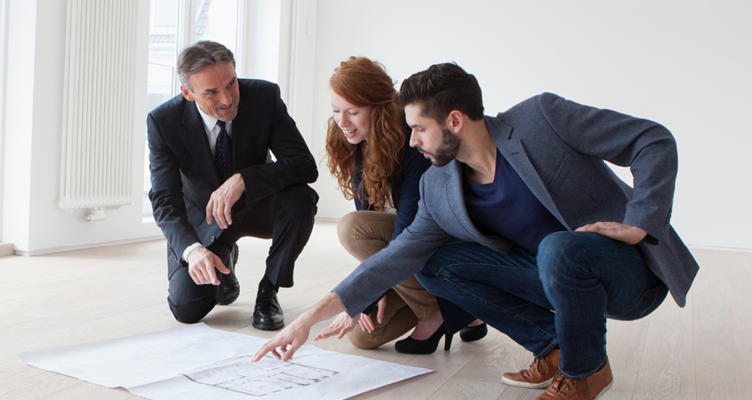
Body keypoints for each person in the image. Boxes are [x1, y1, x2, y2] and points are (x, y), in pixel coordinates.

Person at [253, 62, 698, 400]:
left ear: (455, 121)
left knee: (559, 248)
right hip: (550, 276)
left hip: (625, 273)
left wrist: (641, 222)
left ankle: (586, 372)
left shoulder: (541, 119)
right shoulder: (439, 185)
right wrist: (309, 318)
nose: (412, 142)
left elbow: (652, 140)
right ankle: (554, 348)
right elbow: (398, 254)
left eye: (419, 129)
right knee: (437, 263)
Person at [147, 41, 319, 331]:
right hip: (206, 217)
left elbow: (304, 165)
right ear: (187, 93)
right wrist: (192, 250)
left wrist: (244, 179)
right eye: (212, 92)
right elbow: (165, 199)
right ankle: (222, 259)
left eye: (231, 84)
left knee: (301, 199)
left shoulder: (264, 97)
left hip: (259, 205)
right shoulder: (163, 121)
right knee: (187, 309)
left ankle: (269, 290)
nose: (227, 99)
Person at [323, 56, 485, 354]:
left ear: (380, 108)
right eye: (335, 111)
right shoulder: (355, 142)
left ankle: (437, 313)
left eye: (353, 112)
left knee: (352, 228)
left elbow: (408, 232)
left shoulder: (414, 144)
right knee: (362, 337)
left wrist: (369, 290)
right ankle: (463, 309)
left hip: (431, 250)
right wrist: (372, 290)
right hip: (406, 265)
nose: (342, 122)